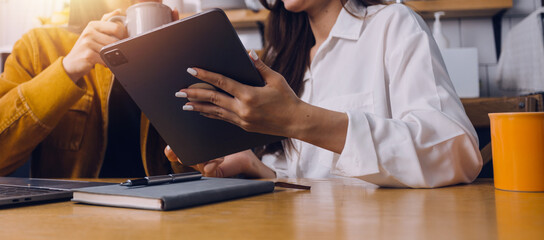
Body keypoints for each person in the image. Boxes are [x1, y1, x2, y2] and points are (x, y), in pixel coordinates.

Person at [165, 0, 483, 188]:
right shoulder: (281, 57)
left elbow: (457, 151)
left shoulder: (393, 25)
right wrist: (256, 168)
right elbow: (306, 183)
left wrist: (298, 120)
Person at [0, 0, 187, 177]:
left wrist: (177, 70)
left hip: (161, 205)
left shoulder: (181, 56)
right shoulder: (39, 46)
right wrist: (67, 69)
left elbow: (199, 171)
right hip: (71, 207)